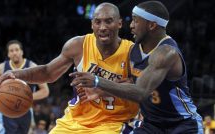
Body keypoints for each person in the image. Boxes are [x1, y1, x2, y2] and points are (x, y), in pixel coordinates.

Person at [0, 3, 139, 134]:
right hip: (74, 121)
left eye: (109, 21)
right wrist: (15, 74)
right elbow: (48, 72)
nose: (102, 27)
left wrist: (100, 89)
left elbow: (140, 88)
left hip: (113, 123)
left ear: (119, 23)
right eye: (97, 22)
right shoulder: (78, 45)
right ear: (92, 25)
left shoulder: (133, 52)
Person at [69, 1, 204, 134]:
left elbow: (140, 91)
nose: (131, 25)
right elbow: (128, 84)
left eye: (135, 21)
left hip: (182, 123)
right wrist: (100, 92)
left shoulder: (167, 53)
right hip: (151, 124)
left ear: (151, 25)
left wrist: (97, 81)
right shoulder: (133, 50)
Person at [0, 40, 49, 134]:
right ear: (8, 54)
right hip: (5, 111)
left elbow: (45, 91)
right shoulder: (1, 68)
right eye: (11, 51)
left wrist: (23, 97)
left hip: (25, 110)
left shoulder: (32, 66)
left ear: (22, 52)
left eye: (17, 50)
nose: (14, 52)